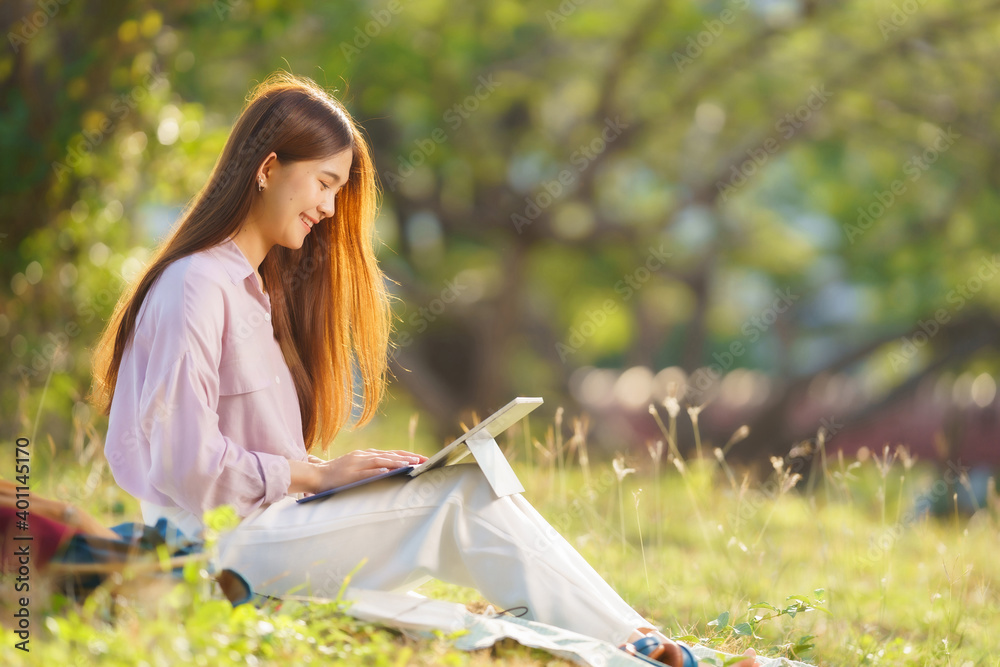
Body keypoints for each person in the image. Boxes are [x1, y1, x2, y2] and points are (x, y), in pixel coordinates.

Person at [91, 71, 757, 667]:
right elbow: (186, 464)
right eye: (323, 182)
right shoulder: (195, 287)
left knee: (467, 481)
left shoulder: (257, 290)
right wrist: (317, 473)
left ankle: (638, 642)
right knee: (460, 496)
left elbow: (244, 451)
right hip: (219, 552)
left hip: (268, 528)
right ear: (268, 167)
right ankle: (649, 648)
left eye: (337, 190)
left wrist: (334, 481)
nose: (328, 208)